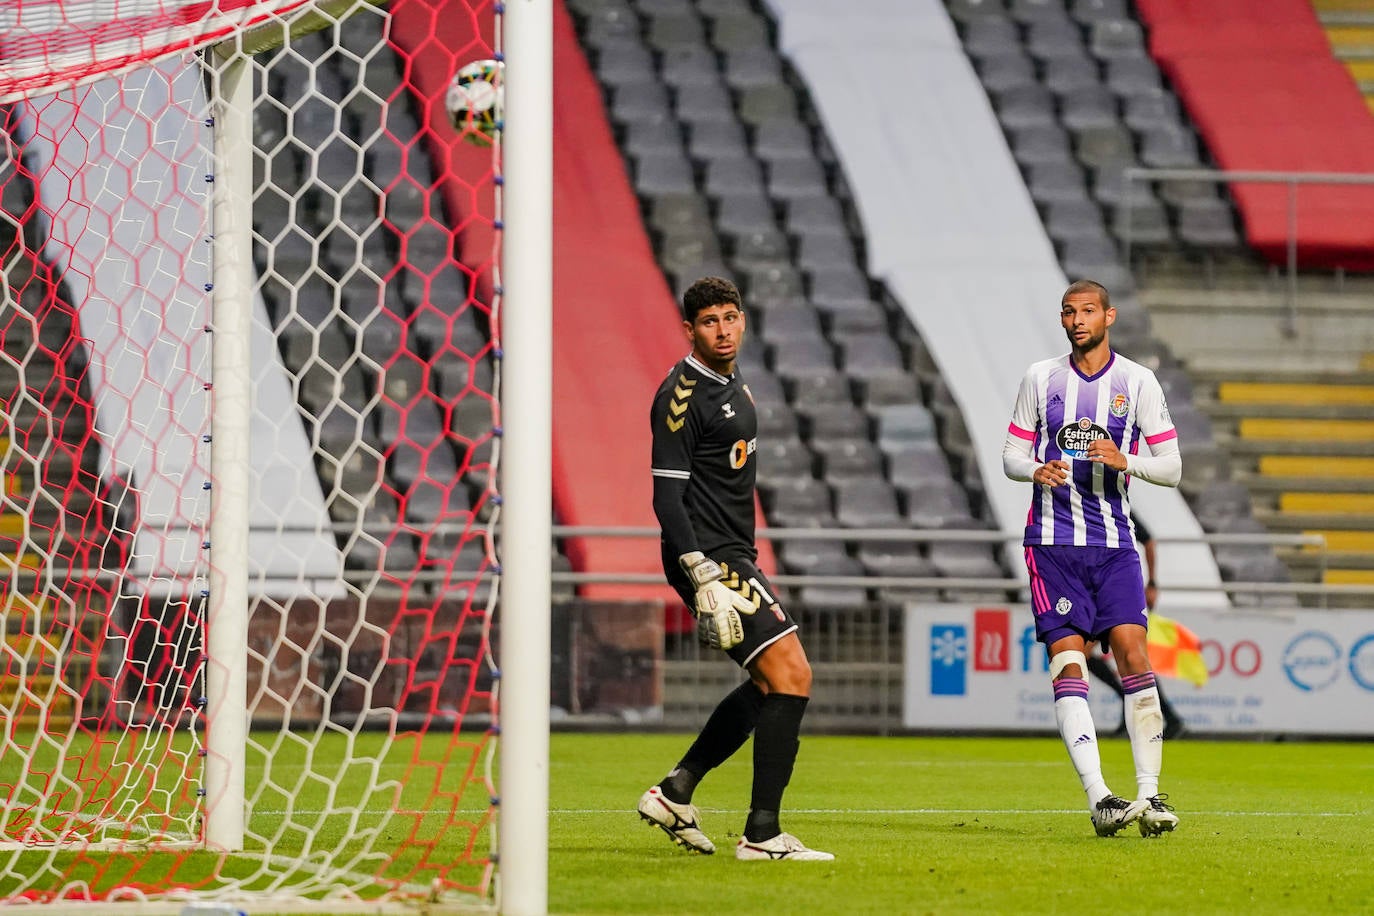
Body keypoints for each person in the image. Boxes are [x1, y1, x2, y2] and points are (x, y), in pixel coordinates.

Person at [637, 276, 833, 862]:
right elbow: (666, 498)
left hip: (732, 553)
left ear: (743, 319)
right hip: (709, 556)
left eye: (730, 317)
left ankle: (676, 791)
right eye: (709, 322)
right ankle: (763, 835)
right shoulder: (681, 395)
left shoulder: (733, 380)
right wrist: (699, 571)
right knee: (794, 676)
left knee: (770, 682)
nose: (723, 330)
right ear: (689, 329)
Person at [1002, 279, 1181, 838]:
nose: (1077, 320)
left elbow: (1172, 467)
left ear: (1110, 316)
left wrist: (1126, 459)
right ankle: (1101, 797)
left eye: (1087, 311)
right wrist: (1034, 469)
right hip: (1053, 545)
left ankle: (1150, 797)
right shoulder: (1041, 377)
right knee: (1069, 660)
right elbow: (1011, 452)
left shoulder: (1137, 381)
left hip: (1115, 546)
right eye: (1068, 312)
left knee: (1133, 655)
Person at [1087, 513, 1186, 740]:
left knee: (1130, 656)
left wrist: (1152, 583)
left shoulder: (1114, 502)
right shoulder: (1081, 504)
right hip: (1099, 592)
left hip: (1119, 592)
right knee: (1126, 658)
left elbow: (1148, 540)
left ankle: (1165, 717)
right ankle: (1164, 717)